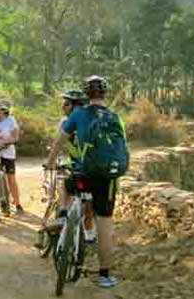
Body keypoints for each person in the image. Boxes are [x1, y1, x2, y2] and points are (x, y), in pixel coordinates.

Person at [45, 75, 128, 289]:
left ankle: (64, 217)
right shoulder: (115, 117)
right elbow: (122, 148)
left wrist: (50, 163)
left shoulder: (78, 114)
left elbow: (59, 141)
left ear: (86, 94)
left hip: (84, 175)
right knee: (104, 225)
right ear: (104, 93)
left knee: (67, 186)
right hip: (107, 178)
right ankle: (104, 275)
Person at [0, 99, 22, 214]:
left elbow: (15, 137)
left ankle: (17, 203)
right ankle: (1, 202)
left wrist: (4, 143)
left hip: (8, 153)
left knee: (11, 179)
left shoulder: (11, 120)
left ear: (4, 110)